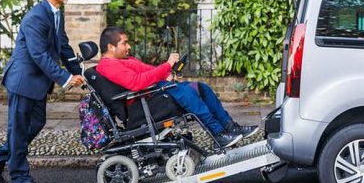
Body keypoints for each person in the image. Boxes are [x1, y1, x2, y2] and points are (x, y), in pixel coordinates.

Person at [0, 0, 84, 183]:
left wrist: (78, 73)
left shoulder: (56, 14)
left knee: (35, 123)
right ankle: (19, 177)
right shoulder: (36, 17)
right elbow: (39, 54)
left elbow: (63, 46)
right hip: (23, 80)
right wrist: (64, 78)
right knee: (19, 129)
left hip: (36, 82)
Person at [96, 26, 258, 148]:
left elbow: (148, 72)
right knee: (184, 91)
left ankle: (230, 127)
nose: (129, 46)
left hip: (154, 90)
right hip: (144, 103)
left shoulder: (122, 60)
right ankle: (218, 133)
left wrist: (166, 73)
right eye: (124, 43)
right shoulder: (108, 65)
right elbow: (136, 83)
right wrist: (167, 66)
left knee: (201, 88)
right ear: (111, 47)